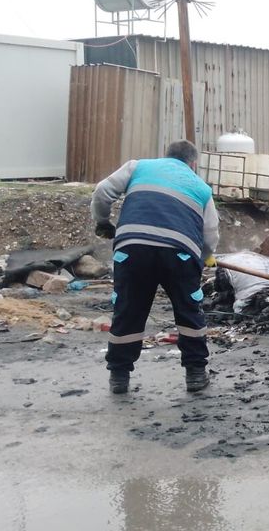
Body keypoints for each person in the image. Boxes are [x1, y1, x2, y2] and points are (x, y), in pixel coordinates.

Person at [91, 140, 220, 394]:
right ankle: (195, 374)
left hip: (133, 248)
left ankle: (119, 376)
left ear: (166, 156)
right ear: (193, 163)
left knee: (129, 309)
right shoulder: (201, 188)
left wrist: (103, 222)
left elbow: (102, 190)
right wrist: (204, 257)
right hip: (180, 253)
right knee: (187, 310)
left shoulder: (138, 167)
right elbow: (210, 234)